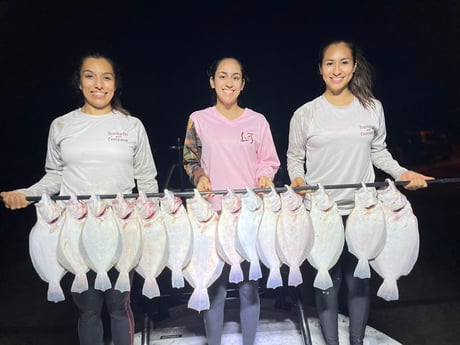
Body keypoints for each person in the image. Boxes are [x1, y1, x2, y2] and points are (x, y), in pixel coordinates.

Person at [1, 52, 159, 345]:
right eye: (90, 75)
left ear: (116, 84)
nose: (98, 84)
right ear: (79, 82)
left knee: (117, 305)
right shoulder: (61, 126)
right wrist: (26, 194)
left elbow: (147, 180)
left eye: (106, 77)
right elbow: (53, 177)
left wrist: (149, 225)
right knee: (88, 308)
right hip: (75, 227)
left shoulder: (132, 126)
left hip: (121, 227)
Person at [286, 38, 434, 345]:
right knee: (327, 280)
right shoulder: (305, 113)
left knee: (359, 281)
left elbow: (379, 153)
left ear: (354, 68)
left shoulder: (372, 108)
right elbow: (294, 157)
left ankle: (356, 342)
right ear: (320, 69)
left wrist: (402, 173)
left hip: (362, 211)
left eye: (343, 62)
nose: (336, 69)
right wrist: (298, 179)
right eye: (330, 63)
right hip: (322, 211)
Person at [183, 57, 280, 345]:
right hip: (212, 215)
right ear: (212, 81)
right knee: (216, 286)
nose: (229, 82)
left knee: (249, 286)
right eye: (222, 76)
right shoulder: (198, 119)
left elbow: (268, 160)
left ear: (243, 83)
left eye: (235, 77)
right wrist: (199, 176)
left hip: (248, 214)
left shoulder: (257, 121)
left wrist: (264, 176)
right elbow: (190, 159)